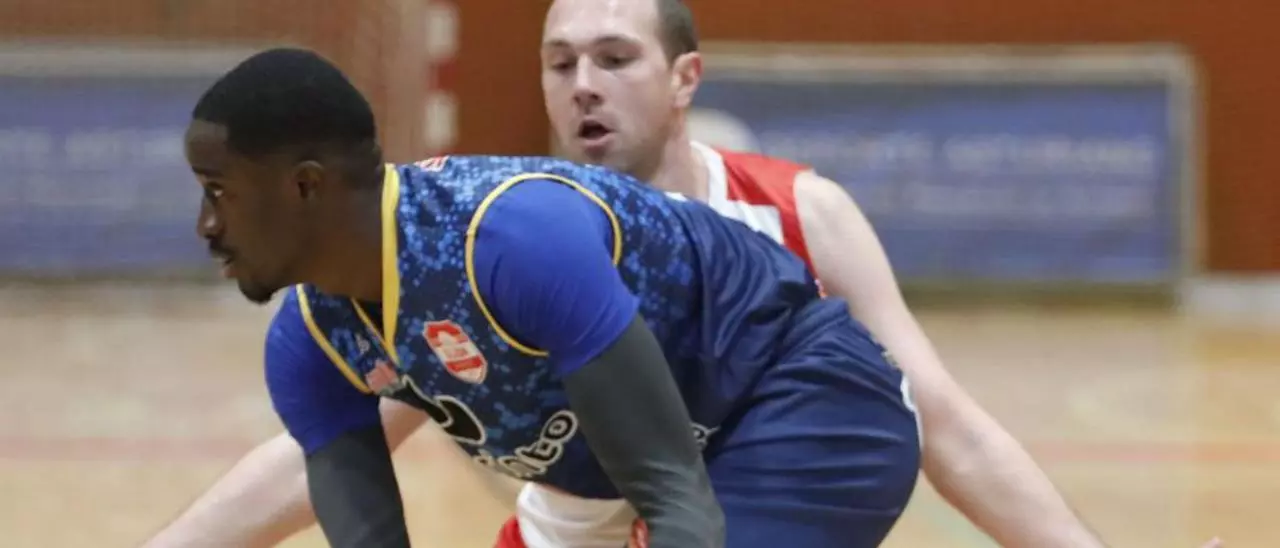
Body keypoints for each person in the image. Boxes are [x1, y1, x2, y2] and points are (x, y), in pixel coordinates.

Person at [170, 46, 921, 547]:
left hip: (806, 401)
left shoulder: (509, 240)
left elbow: (680, 505)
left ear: (305, 186)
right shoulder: (310, 346)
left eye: (218, 191)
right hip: (638, 479)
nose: (206, 224)